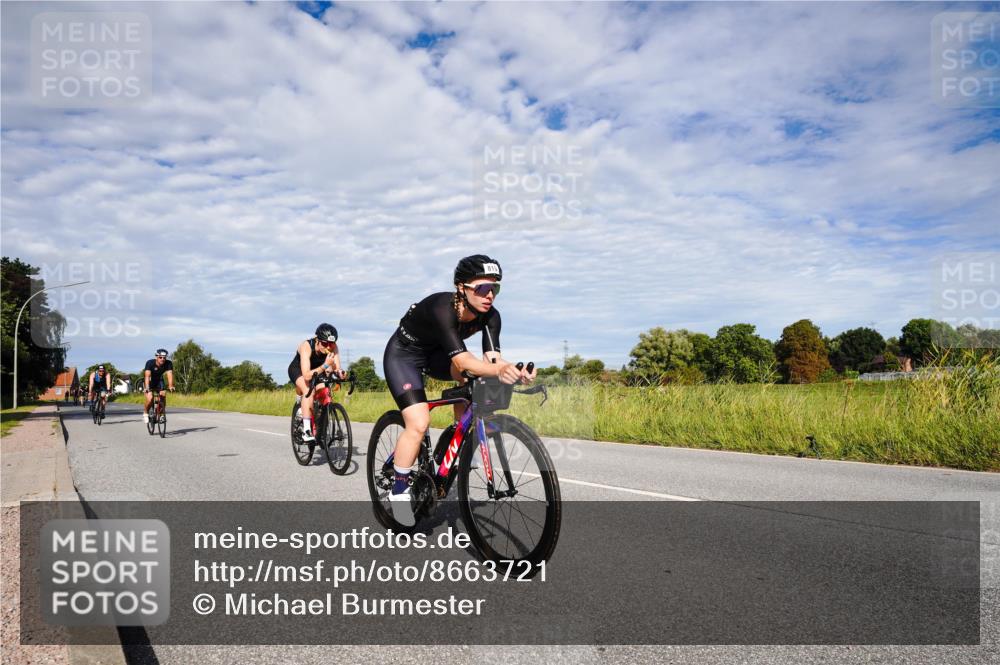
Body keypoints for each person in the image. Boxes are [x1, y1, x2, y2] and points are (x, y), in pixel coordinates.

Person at [382, 255, 535, 525]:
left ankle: (458, 440)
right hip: (404, 356)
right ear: (461, 288)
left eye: (495, 289)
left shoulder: (491, 317)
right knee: (419, 423)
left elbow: (492, 362)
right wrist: (500, 370)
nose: (490, 296)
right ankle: (399, 489)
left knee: (474, 384)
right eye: (482, 288)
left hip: (439, 356)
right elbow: (464, 361)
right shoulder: (443, 308)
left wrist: (514, 372)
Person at [288, 323, 346, 442]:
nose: (329, 347)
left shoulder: (333, 347)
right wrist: (325, 365)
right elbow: (307, 375)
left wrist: (340, 373)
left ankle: (319, 420)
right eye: (325, 344)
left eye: (332, 344)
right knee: (308, 390)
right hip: (299, 370)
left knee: (324, 391)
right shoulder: (306, 346)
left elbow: (336, 367)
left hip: (319, 369)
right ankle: (307, 431)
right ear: (318, 340)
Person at [143, 349, 175, 424]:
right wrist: (147, 387)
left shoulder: (168, 363)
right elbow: (147, 376)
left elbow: (169, 375)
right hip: (150, 381)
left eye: (164, 357)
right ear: (156, 357)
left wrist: (171, 386)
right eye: (160, 357)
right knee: (150, 399)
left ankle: (160, 414)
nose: (162, 359)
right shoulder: (150, 363)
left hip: (159, 380)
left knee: (163, 395)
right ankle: (145, 413)